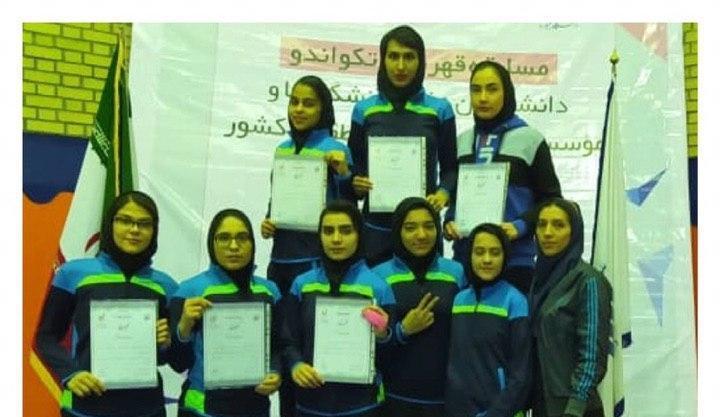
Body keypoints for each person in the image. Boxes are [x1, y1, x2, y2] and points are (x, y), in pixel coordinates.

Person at [34, 191, 179, 417]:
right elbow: (46, 337)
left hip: (147, 409)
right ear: (110, 224)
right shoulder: (73, 274)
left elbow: (171, 357)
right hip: (85, 407)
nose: (134, 230)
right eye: (125, 220)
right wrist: (71, 374)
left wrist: (166, 344)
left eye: (144, 223)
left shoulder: (167, 286)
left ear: (154, 231)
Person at [260, 75, 354, 416]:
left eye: (309, 103)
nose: (299, 109)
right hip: (279, 264)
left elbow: (349, 209)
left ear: (323, 109)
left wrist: (343, 174)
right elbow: (279, 201)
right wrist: (268, 220)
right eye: (294, 102)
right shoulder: (282, 149)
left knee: (312, 350)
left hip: (314, 264)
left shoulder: (336, 149)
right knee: (283, 350)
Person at [444, 60, 562, 295]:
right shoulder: (462, 142)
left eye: (492, 89)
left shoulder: (530, 140)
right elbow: (455, 197)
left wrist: (520, 226)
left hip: (516, 262)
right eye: (476, 90)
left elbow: (552, 202)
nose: (483, 98)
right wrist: (449, 222)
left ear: (506, 92)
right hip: (466, 261)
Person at [348, 25, 458, 267]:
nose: (400, 66)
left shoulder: (440, 109)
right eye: (393, 56)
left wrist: (443, 193)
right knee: (375, 291)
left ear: (421, 61)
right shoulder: (363, 110)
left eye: (409, 57)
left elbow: (451, 169)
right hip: (375, 231)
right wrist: (356, 183)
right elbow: (353, 167)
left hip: (423, 230)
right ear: (383, 59)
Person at [282, 200, 396, 417]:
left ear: (359, 234)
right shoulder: (302, 284)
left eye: (346, 231)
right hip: (310, 404)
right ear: (319, 236)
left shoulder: (379, 288)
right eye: (328, 231)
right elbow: (288, 340)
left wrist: (383, 335)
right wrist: (296, 365)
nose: (336, 239)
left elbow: (391, 356)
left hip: (363, 406)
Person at [170, 209, 282, 417]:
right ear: (211, 243)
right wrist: (183, 328)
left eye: (242, 238)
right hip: (201, 409)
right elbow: (177, 363)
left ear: (252, 243)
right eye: (224, 238)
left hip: (254, 408)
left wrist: (276, 373)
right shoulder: (188, 291)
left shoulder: (269, 291)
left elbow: (278, 346)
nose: (233, 246)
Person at [371, 197, 465, 417]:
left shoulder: (456, 272)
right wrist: (402, 331)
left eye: (429, 226)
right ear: (397, 232)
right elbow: (369, 345)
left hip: (447, 399)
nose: (421, 235)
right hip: (395, 398)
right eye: (410, 228)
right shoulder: (378, 277)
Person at [529, 199, 611, 417]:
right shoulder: (539, 280)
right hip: (542, 404)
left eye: (558, 225)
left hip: (575, 409)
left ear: (574, 232)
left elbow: (592, 355)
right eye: (542, 224)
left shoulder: (588, 281)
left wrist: (575, 408)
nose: (547, 233)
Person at [445, 223, 531, 417]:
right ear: (469, 255)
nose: (487, 259)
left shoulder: (515, 301)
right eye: (479, 252)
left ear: (505, 256)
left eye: (495, 252)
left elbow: (521, 374)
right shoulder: (459, 299)